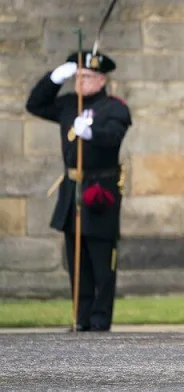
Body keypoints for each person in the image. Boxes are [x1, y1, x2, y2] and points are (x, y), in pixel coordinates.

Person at [26, 50, 132, 332]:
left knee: (100, 258)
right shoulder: (68, 105)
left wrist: (91, 133)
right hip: (73, 187)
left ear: (101, 79)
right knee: (76, 258)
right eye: (78, 76)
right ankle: (81, 317)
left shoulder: (115, 107)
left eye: (87, 77)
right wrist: (53, 79)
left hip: (100, 189)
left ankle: (100, 317)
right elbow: (35, 104)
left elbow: (113, 137)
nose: (81, 82)